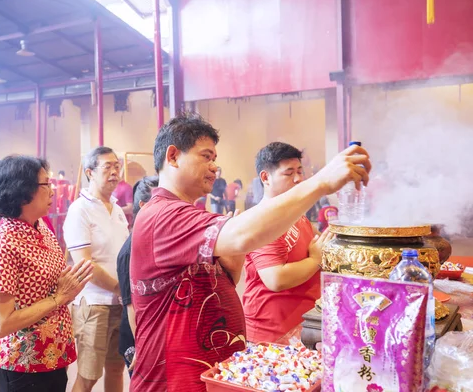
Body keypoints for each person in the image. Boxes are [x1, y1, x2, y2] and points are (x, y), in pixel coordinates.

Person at [130, 113, 371, 391]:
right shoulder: (162, 214)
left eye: (215, 159)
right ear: (173, 156)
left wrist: (231, 263)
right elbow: (246, 237)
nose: (214, 167)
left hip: (213, 372)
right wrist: (319, 184)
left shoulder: (190, 215)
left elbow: (214, 282)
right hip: (173, 380)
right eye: (206, 156)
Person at [0, 155, 94, 392]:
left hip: (51, 356)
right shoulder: (5, 243)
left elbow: (49, 286)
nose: (52, 191)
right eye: (46, 184)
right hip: (22, 362)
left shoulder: (40, 227)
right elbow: (0, 324)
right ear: (22, 192)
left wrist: (69, 285)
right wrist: (58, 299)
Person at [243, 142, 334, 344]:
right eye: (289, 173)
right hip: (271, 333)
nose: (298, 178)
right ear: (266, 178)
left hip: (300, 326)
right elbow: (276, 278)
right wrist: (315, 260)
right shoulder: (263, 220)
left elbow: (314, 241)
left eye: (300, 171)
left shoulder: (294, 214)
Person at [63, 147, 129, 392]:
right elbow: (84, 263)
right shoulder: (80, 210)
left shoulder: (118, 210)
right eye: (107, 167)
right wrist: (119, 287)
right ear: (90, 173)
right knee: (89, 375)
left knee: (116, 368)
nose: (114, 172)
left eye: (116, 166)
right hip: (94, 303)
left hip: (120, 302)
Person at [116, 176, 159, 376]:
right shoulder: (129, 251)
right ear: (143, 205)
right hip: (137, 336)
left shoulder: (157, 239)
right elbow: (131, 305)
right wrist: (142, 347)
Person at [112, 162, 134, 227]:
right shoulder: (110, 186)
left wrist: (112, 210)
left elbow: (130, 208)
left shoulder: (126, 187)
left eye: (117, 167)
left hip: (123, 226)